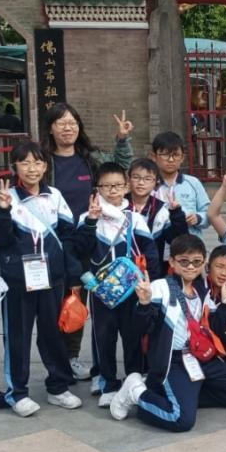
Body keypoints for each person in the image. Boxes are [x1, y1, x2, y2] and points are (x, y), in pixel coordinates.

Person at [109, 234, 226, 429]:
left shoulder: (202, 291)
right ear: (172, 261)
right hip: (174, 361)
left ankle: (176, 396)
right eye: (184, 261)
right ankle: (137, 393)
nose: (190, 266)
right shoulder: (160, 288)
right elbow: (139, 329)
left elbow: (217, 328)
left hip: (201, 357)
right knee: (181, 419)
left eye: (196, 262)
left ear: (203, 263)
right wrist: (144, 304)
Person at [0, 140, 85, 415]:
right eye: (25, 162)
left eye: (38, 162)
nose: (32, 168)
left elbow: (67, 237)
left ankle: (58, 387)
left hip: (52, 278)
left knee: (53, 334)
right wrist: (4, 211)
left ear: (45, 166)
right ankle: (17, 392)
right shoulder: (3, 197)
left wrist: (72, 275)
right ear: (14, 166)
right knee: (17, 336)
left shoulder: (55, 196)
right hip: (18, 280)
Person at [46, 103, 135, 378]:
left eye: (72, 122)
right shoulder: (43, 162)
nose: (68, 128)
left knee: (78, 299)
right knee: (54, 302)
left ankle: (71, 357)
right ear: (50, 128)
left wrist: (122, 140)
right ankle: (55, 360)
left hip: (88, 237)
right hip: (55, 241)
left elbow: (117, 169)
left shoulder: (89, 158)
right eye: (61, 123)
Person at [78, 163, 159, 406]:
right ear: (97, 188)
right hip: (101, 291)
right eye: (106, 186)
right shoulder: (87, 217)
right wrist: (91, 222)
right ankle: (108, 383)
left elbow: (150, 251)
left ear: (126, 187)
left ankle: (133, 380)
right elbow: (80, 249)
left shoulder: (134, 218)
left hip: (131, 290)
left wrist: (150, 281)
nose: (112, 190)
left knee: (132, 336)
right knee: (104, 337)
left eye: (117, 185)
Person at [127, 158, 188, 276]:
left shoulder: (161, 210)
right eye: (136, 177)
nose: (141, 182)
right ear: (128, 180)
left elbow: (178, 240)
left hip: (153, 271)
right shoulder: (119, 205)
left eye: (147, 179)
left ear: (156, 183)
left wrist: (176, 213)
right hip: (121, 270)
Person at [150, 131, 210, 236]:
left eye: (176, 155)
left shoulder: (193, 183)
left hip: (189, 242)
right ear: (154, 156)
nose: (171, 160)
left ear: (182, 158)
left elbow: (209, 213)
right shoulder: (148, 185)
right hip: (157, 243)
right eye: (165, 155)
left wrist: (198, 218)